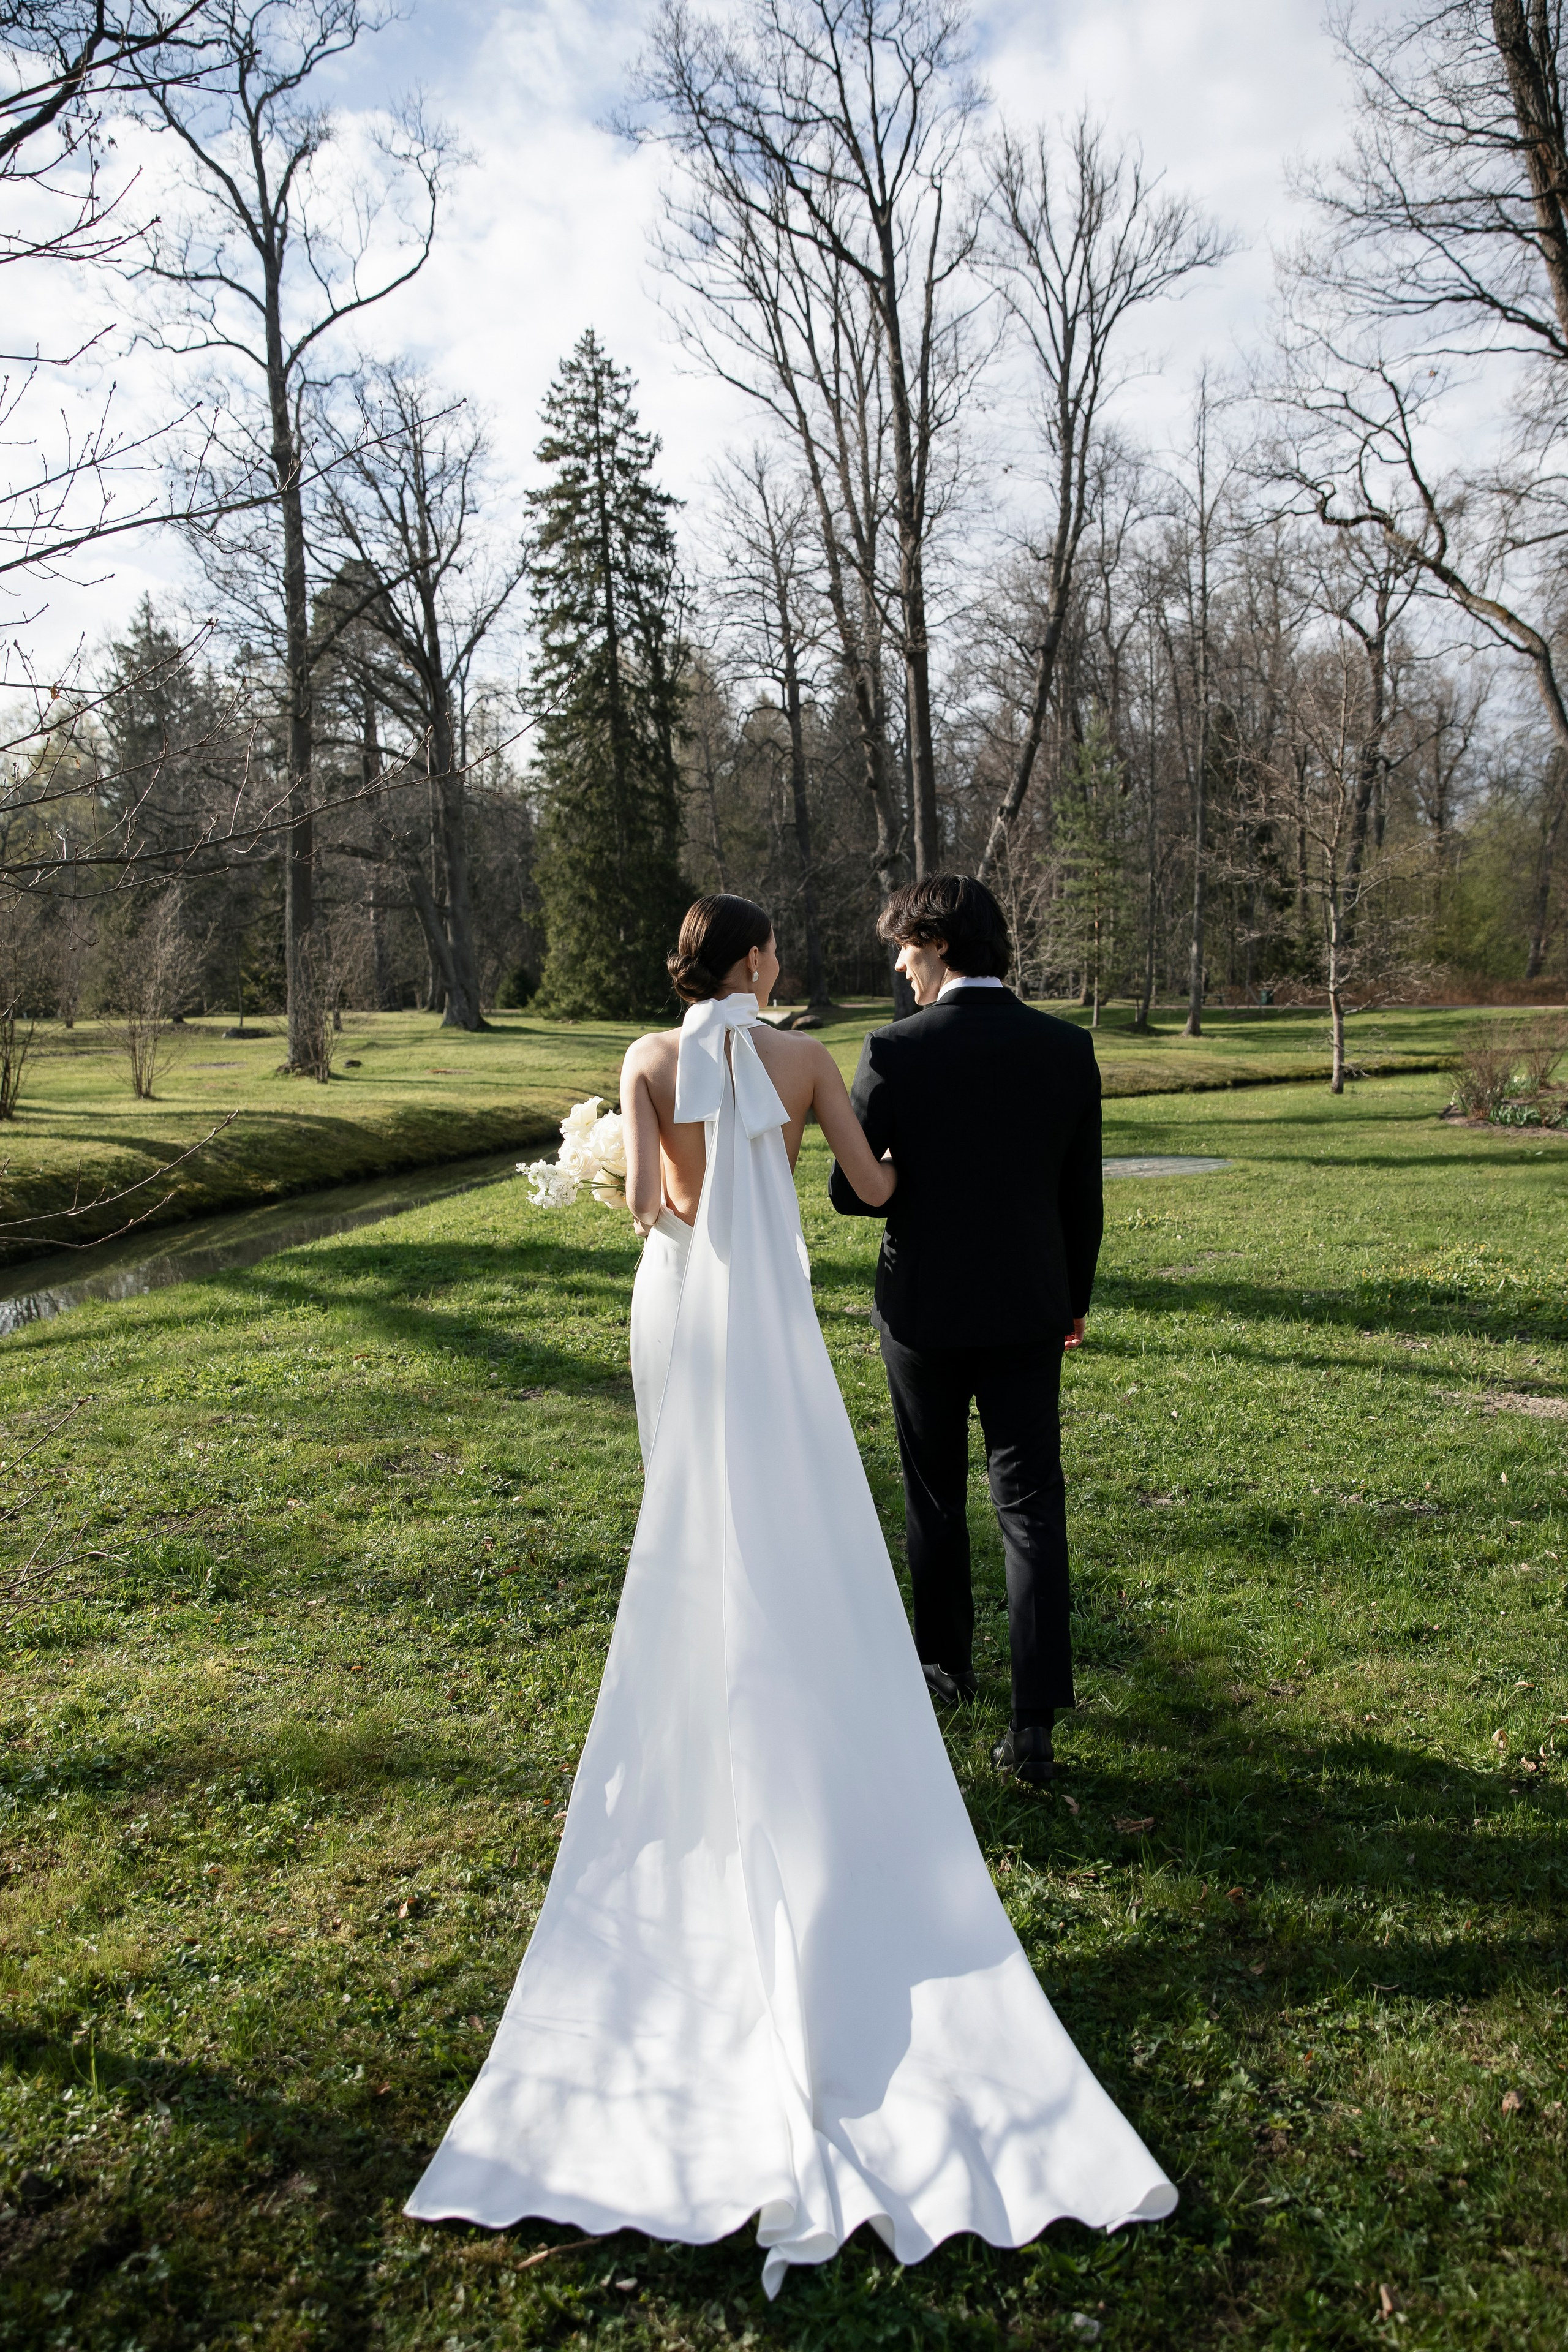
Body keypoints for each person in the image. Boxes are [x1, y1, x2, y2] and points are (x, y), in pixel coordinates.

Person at [404, 893, 1172, 2293]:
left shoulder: (641, 1063)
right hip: (770, 1315)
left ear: (678, 966)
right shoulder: (808, 1060)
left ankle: (710, 1646)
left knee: (687, 1501)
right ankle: (888, 1672)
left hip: (678, 1307)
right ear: (756, 964)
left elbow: (653, 1205)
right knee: (829, 1494)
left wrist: (631, 1170)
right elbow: (872, 1190)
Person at [829, 874, 1101, 1791]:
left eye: (904, 949)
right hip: (1030, 1306)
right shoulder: (1066, 1048)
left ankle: (942, 1671)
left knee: (936, 1495)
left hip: (925, 1311)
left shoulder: (894, 1051)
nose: (900, 968)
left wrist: (918, 1169)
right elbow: (1081, 1197)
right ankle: (1034, 1725)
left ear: (937, 945)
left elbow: (849, 1190)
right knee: (1030, 1508)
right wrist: (1073, 1302)